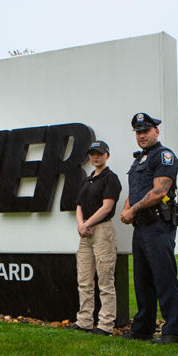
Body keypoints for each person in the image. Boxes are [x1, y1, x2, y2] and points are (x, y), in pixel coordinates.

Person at [119, 112, 178, 344]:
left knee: (164, 278)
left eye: (145, 131)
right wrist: (128, 209)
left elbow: (159, 191)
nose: (142, 135)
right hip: (141, 226)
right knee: (142, 280)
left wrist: (132, 210)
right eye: (138, 132)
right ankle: (143, 329)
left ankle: (172, 331)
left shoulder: (164, 156)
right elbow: (134, 191)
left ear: (156, 131)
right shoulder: (138, 161)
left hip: (158, 225)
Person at [70, 140, 122, 336]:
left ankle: (105, 325)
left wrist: (87, 224)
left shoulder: (111, 178)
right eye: (92, 153)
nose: (96, 157)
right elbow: (79, 205)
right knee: (84, 280)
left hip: (102, 231)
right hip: (86, 233)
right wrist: (81, 225)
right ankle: (84, 321)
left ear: (107, 155)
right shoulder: (87, 179)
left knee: (105, 281)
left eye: (99, 153)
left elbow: (107, 207)